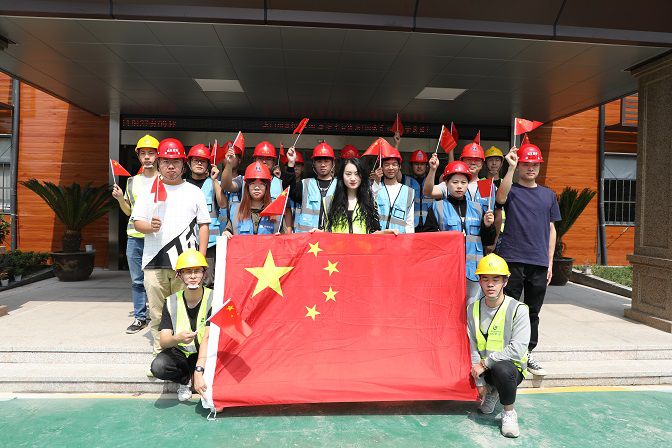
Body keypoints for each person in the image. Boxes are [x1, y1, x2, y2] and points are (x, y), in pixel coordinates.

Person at [132, 137, 211, 355]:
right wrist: (150, 227)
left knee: (183, 311)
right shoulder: (148, 190)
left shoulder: (194, 191)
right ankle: (161, 353)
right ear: (158, 163)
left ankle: (183, 354)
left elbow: (204, 225)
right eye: (166, 161)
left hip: (184, 264)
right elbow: (137, 222)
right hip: (154, 262)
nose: (170, 166)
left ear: (183, 164)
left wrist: (200, 259)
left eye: (175, 162)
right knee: (157, 312)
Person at [495, 143, 561, 377]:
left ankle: (527, 352)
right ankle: (505, 350)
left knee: (533, 311)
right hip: (512, 258)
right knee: (508, 308)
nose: (531, 168)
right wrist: (510, 168)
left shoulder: (548, 195)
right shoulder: (511, 190)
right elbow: (500, 198)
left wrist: (550, 262)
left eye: (535, 164)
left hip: (538, 261)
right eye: (526, 164)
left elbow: (551, 229)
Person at [467, 253, 530, 438]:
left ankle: (509, 412)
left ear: (505, 282)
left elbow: (518, 349)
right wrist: (479, 381)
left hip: (510, 369)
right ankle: (492, 391)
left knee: (502, 370)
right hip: (484, 369)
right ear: (479, 282)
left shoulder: (518, 309)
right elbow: (472, 345)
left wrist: (485, 363)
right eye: (485, 279)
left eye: (496, 279)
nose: (490, 284)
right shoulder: (472, 309)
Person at [424, 161, 496, 305]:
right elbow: (429, 240)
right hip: (447, 270)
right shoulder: (437, 207)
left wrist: (488, 226)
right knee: (448, 307)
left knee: (472, 309)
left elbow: (488, 241)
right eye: (455, 182)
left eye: (463, 182)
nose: (459, 186)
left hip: (474, 271)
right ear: (446, 183)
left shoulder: (478, 208)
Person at [150, 249, 213, 402]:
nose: (193, 276)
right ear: (179, 275)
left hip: (207, 354)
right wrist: (177, 338)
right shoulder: (171, 301)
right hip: (182, 355)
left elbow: (207, 338)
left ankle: (198, 375)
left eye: (197, 271)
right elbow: (164, 341)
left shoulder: (213, 298)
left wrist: (199, 369)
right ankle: (185, 381)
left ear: (204, 274)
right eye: (187, 272)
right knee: (159, 366)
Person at [112, 134, 159, 334]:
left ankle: (160, 317)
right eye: (143, 153)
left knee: (158, 280)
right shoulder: (131, 182)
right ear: (138, 156)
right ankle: (140, 318)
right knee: (137, 281)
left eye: (151, 153)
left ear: (158, 156)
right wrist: (120, 199)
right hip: (135, 237)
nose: (147, 157)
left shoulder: (164, 179)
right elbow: (129, 211)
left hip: (157, 237)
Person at [185, 144, 227, 287]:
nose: (199, 163)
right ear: (189, 163)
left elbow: (223, 204)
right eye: (195, 160)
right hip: (187, 242)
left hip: (210, 243)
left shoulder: (214, 183)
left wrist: (215, 180)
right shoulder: (182, 185)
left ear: (209, 164)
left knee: (208, 281)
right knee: (188, 281)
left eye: (203, 161)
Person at [323, 157, 397, 235]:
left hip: (363, 243)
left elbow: (372, 233)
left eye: (357, 174)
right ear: (342, 176)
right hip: (337, 243)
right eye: (348, 174)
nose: (353, 178)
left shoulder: (369, 202)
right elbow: (326, 232)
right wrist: (317, 233)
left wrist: (383, 233)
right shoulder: (328, 201)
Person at [423, 133, 494, 212]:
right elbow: (427, 192)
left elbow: (493, 212)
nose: (473, 163)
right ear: (462, 161)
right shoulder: (451, 183)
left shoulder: (486, 185)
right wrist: (432, 170)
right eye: (469, 159)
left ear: (482, 164)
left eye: (477, 160)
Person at [283, 143, 337, 233]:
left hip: (330, 237)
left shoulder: (339, 185)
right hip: (307, 238)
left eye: (326, 161)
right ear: (314, 164)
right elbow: (288, 190)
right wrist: (291, 163)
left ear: (333, 163)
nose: (323, 165)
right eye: (319, 161)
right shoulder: (305, 184)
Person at [223, 162, 283, 236]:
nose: (257, 188)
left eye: (261, 184)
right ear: (247, 186)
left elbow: (285, 237)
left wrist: (280, 237)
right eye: (253, 184)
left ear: (267, 187)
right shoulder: (236, 210)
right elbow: (228, 230)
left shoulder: (276, 211)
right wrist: (226, 233)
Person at [375, 142, 415, 234]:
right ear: (381, 167)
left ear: (399, 166)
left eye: (394, 164)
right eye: (386, 164)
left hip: (399, 239)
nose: (391, 168)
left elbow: (409, 223)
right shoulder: (375, 189)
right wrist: (376, 182)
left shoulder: (409, 192)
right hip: (378, 238)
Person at [403, 149, 432, 232]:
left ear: (427, 166)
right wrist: (396, 146)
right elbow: (395, 171)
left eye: (422, 164)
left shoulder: (433, 180)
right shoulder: (405, 180)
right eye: (416, 164)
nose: (419, 166)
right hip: (411, 225)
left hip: (430, 225)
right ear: (411, 166)